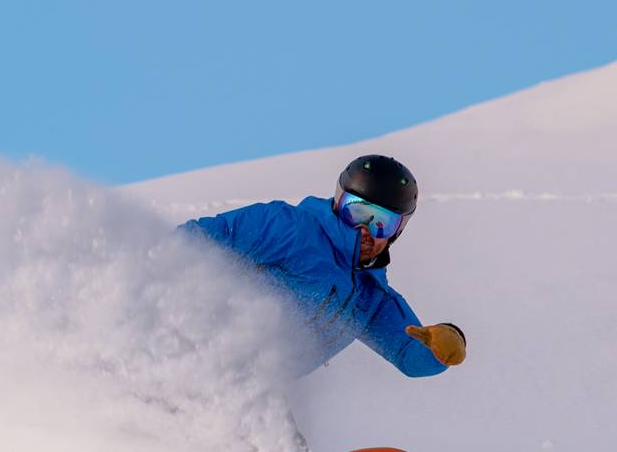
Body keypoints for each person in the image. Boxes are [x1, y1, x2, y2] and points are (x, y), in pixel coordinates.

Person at [181, 154, 466, 379]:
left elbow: (408, 354)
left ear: (397, 231)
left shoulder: (371, 299)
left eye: (381, 222)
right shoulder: (290, 228)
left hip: (252, 388)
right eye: (356, 211)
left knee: (278, 444)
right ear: (339, 202)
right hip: (194, 350)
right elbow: (202, 238)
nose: (365, 229)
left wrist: (440, 347)